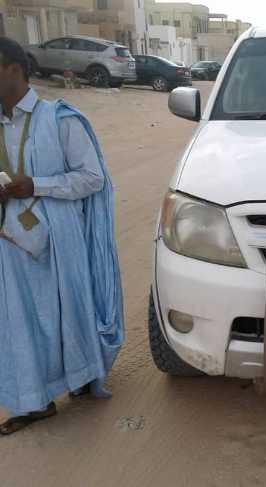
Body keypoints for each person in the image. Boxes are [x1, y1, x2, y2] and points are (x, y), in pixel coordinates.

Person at [0, 37, 123, 435]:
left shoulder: (59, 119)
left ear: (13, 69)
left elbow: (92, 178)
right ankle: (34, 401)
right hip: (10, 241)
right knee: (20, 320)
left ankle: (83, 375)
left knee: (68, 310)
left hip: (59, 239)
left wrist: (37, 185)